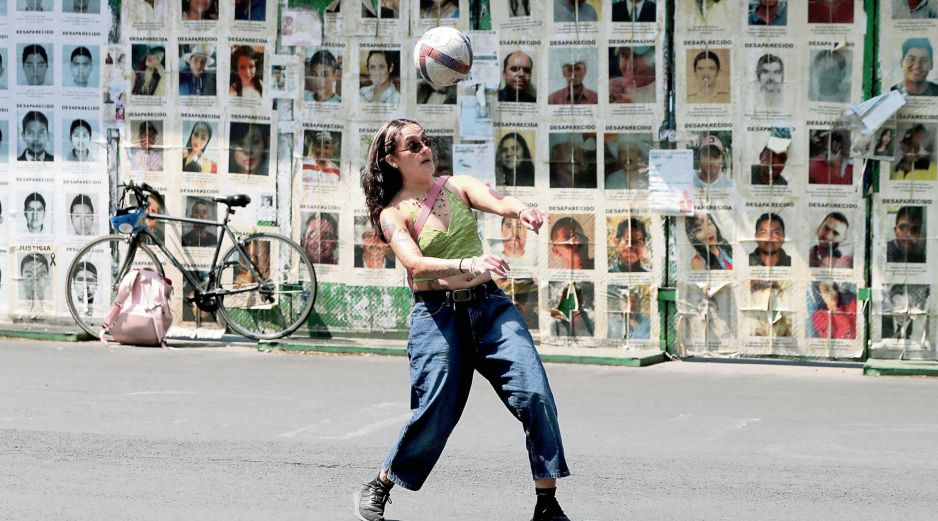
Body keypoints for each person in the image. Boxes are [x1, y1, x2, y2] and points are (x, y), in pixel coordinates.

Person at [356, 118, 572, 521]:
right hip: (437, 316)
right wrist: (466, 261)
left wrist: (523, 210)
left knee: (535, 393)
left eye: (426, 141)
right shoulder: (393, 214)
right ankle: (383, 481)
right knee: (437, 409)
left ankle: (547, 503)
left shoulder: (456, 186)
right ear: (391, 160)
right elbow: (414, 263)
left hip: (490, 307)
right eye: (413, 145)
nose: (425, 149)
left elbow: (499, 200)